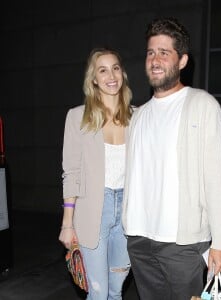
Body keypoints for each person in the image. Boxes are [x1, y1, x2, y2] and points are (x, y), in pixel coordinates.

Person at [122, 17, 221, 299]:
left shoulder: (202, 105)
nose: (155, 60)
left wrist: (220, 242)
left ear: (181, 61)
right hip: (139, 237)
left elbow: (216, 179)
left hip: (182, 242)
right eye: (150, 52)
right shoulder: (138, 115)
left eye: (164, 53)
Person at [59, 48, 133, 300]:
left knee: (116, 290)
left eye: (115, 68)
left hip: (127, 214)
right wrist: (67, 224)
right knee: (99, 293)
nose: (110, 75)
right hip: (93, 211)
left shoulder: (138, 117)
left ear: (122, 73)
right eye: (102, 70)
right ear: (93, 79)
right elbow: (71, 172)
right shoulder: (77, 117)